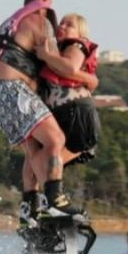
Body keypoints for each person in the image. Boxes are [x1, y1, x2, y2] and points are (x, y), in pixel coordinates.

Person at [0, 0, 94, 226]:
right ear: (45, 1)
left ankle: (30, 210)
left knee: (34, 148)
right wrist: (90, 79)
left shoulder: (9, 25)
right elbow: (59, 67)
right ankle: (55, 203)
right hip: (12, 89)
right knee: (56, 140)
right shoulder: (40, 22)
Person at [33, 12, 101, 167]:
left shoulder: (77, 45)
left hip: (75, 113)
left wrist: (46, 56)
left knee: (47, 165)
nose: (62, 26)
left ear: (80, 34)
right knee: (45, 164)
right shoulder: (57, 49)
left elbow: (70, 67)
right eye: (61, 23)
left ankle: (47, 189)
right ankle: (46, 189)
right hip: (63, 114)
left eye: (69, 25)